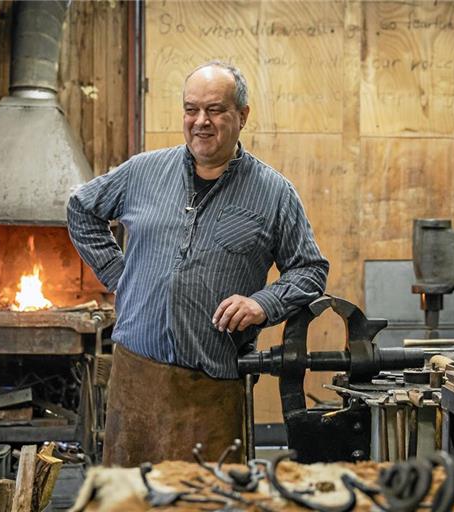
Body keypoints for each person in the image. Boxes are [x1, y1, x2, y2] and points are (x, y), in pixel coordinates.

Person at [67, 61, 329, 467]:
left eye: (215, 110)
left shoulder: (274, 193)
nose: (200, 122)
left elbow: (310, 270)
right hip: (135, 379)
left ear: (242, 116)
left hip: (212, 388)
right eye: (192, 110)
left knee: (208, 499)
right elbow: (81, 209)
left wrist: (263, 303)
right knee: (128, 499)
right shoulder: (143, 172)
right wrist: (122, 278)